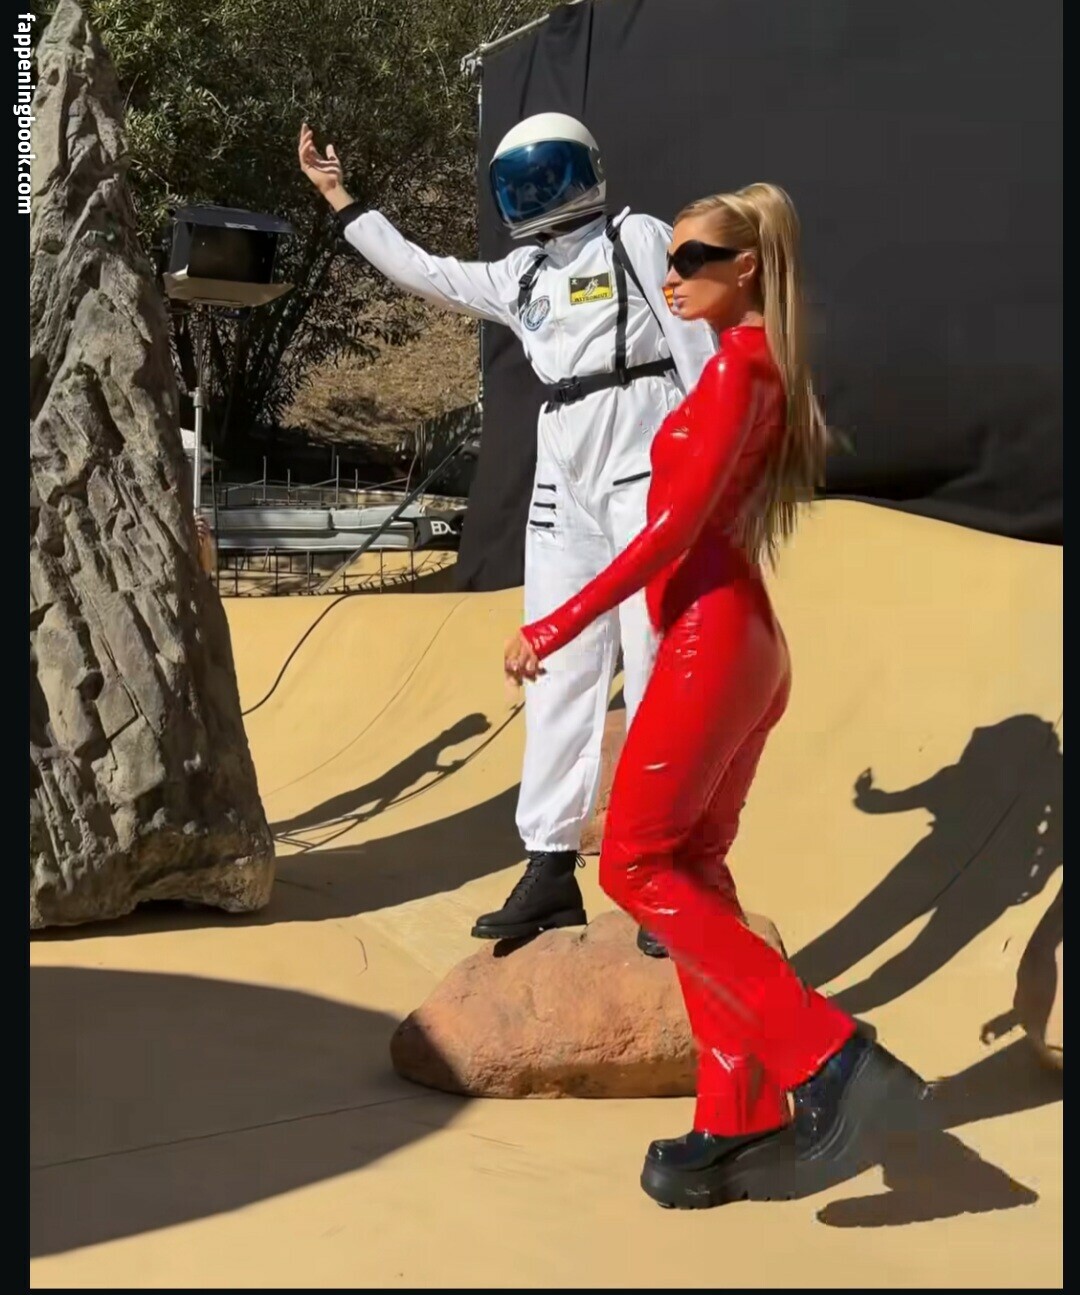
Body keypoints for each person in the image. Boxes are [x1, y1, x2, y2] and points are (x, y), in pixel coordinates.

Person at [504, 183, 929, 1208]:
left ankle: (828, 1055)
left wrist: (557, 625)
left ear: (746, 267)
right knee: (691, 865)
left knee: (633, 862)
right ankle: (735, 1117)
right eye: (669, 260)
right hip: (738, 638)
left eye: (693, 259)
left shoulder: (740, 365)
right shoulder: (745, 362)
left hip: (712, 637)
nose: (672, 277)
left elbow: (672, 531)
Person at [299, 113, 716, 955]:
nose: (539, 193)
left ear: (588, 170)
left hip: (644, 447)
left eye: (551, 175)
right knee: (556, 664)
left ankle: (663, 868)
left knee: (655, 660)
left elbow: (699, 352)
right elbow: (424, 271)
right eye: (523, 183)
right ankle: (550, 865)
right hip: (563, 467)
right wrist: (339, 198)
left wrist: (713, 474)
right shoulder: (519, 274)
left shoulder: (637, 239)